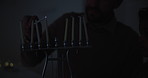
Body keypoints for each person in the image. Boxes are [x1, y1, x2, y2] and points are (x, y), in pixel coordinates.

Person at [21, 0, 143, 78]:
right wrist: (31, 38)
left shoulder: (130, 39)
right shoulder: (66, 22)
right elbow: (30, 61)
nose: (94, 3)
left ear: (117, 2)